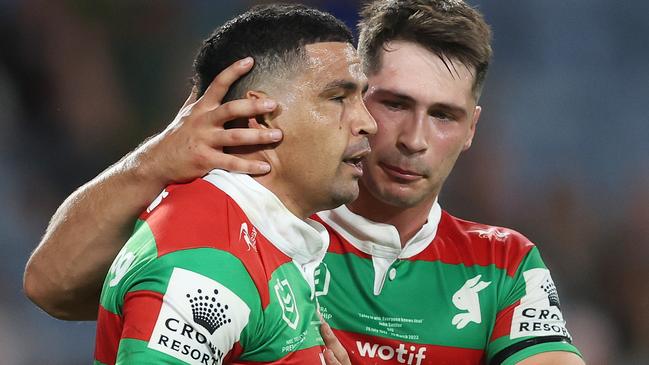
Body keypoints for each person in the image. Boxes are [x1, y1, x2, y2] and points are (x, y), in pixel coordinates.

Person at [24, 1, 585, 364]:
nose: (413, 139)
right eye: (391, 103)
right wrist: (152, 161)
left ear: (470, 130)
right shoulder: (251, 231)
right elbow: (54, 287)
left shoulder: (505, 264)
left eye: (443, 115)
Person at [61, 4, 375, 364]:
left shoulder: (262, 234)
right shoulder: (209, 257)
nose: (368, 123)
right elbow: (48, 287)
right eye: (338, 98)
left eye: (361, 98)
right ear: (260, 116)